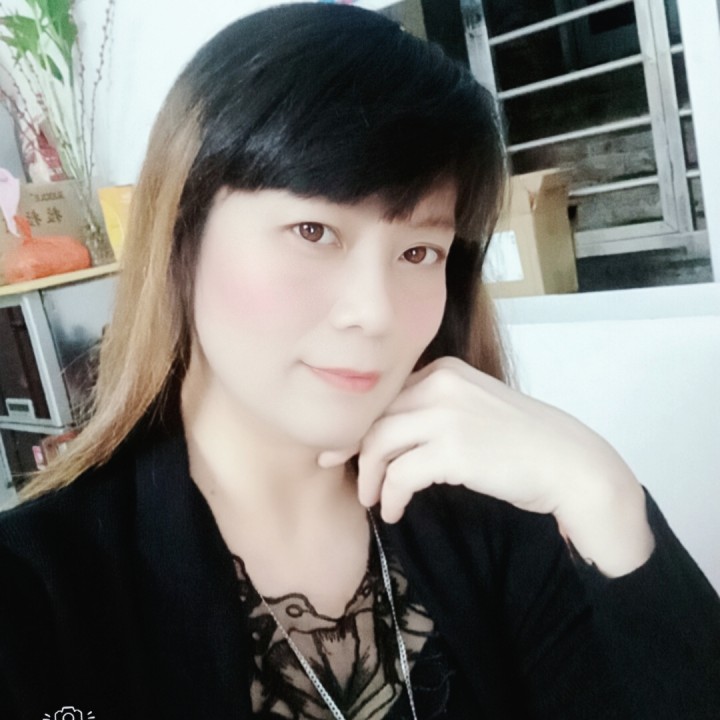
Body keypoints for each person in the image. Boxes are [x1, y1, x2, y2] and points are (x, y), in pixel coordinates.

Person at [0, 4, 718, 719]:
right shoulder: (37, 594)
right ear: (181, 239)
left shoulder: (497, 521)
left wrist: (606, 495)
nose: (375, 311)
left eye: (418, 251)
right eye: (313, 231)